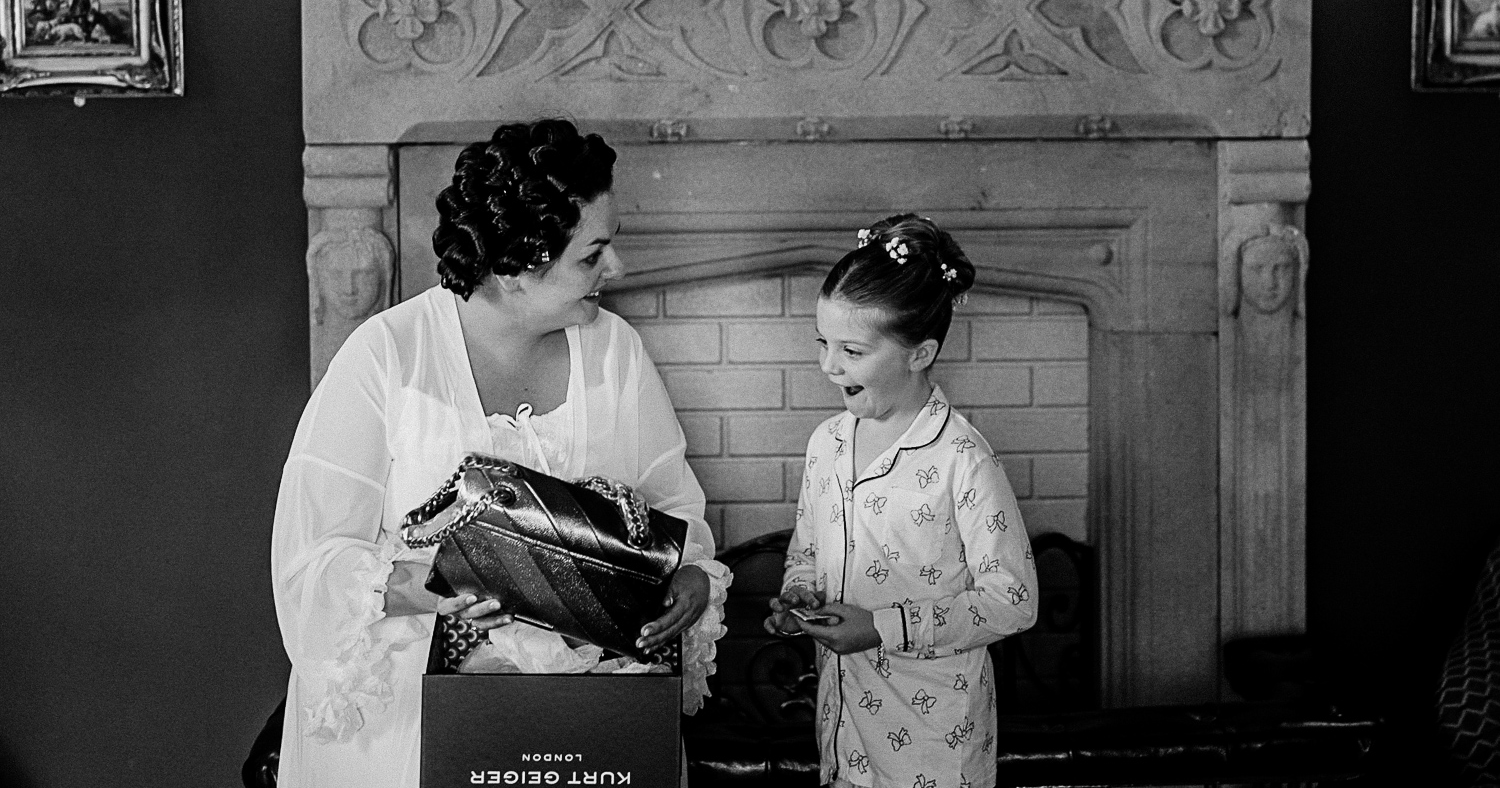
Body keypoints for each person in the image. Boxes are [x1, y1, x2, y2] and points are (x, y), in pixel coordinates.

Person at [271, 119, 729, 788]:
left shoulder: (616, 351)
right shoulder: (387, 355)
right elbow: (312, 561)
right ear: (518, 264)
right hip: (415, 724)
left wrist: (691, 579)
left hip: (583, 733)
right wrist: (439, 587)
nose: (616, 269)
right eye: (593, 253)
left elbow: (674, 512)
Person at [765, 214, 1038, 788]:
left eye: (852, 350)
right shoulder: (827, 445)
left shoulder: (963, 458)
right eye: (823, 343)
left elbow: (1013, 599)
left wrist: (883, 627)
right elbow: (807, 552)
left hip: (936, 747)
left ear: (919, 354)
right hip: (842, 737)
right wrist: (799, 598)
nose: (828, 365)